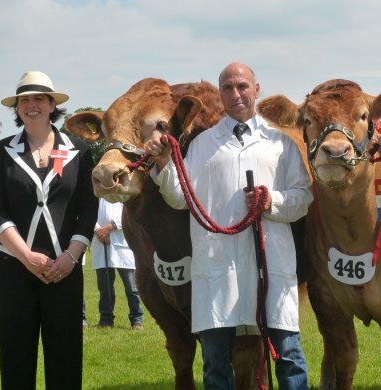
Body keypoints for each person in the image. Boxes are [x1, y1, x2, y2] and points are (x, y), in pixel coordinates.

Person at [145, 62, 313, 389]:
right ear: (220, 94)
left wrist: (271, 202)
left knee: (289, 355)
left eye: (242, 86)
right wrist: (165, 164)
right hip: (218, 267)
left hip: (270, 265)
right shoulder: (203, 145)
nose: (235, 94)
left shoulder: (281, 144)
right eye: (228, 88)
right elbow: (181, 198)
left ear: (256, 89)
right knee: (215, 362)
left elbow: (303, 197)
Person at [0, 70, 98, 389]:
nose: (31, 105)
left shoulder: (78, 150)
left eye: (38, 99)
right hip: (13, 268)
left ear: (51, 105)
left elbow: (88, 208)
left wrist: (71, 257)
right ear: (17, 108)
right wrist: (25, 256)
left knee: (65, 357)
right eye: (24, 100)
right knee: (16, 358)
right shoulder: (2, 150)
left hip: (64, 268)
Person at [91, 198, 144, 330]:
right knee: (105, 288)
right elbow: (88, 214)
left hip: (122, 245)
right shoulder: (94, 195)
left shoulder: (122, 195)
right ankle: (106, 320)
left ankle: (136, 320)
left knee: (131, 288)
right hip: (101, 243)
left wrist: (110, 227)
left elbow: (131, 215)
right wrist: (98, 230)